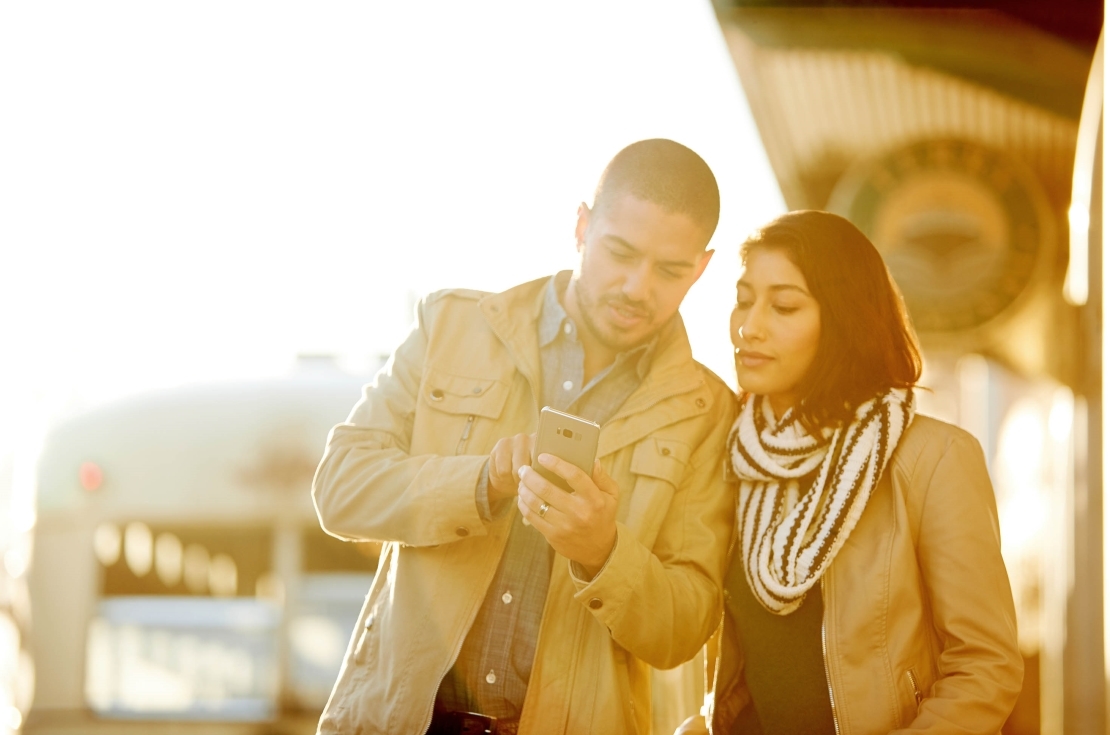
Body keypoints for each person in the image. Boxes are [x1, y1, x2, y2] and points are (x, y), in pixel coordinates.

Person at [312, 139, 738, 734]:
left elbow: (687, 628)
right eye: (620, 252)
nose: (639, 288)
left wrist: (603, 554)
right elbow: (339, 488)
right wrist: (480, 482)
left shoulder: (708, 411)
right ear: (582, 227)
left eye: (669, 270)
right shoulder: (451, 326)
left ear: (703, 267)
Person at [680, 210, 1023, 734]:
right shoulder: (732, 455)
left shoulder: (935, 458)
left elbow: (986, 667)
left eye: (785, 305)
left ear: (842, 318)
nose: (750, 326)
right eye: (745, 299)